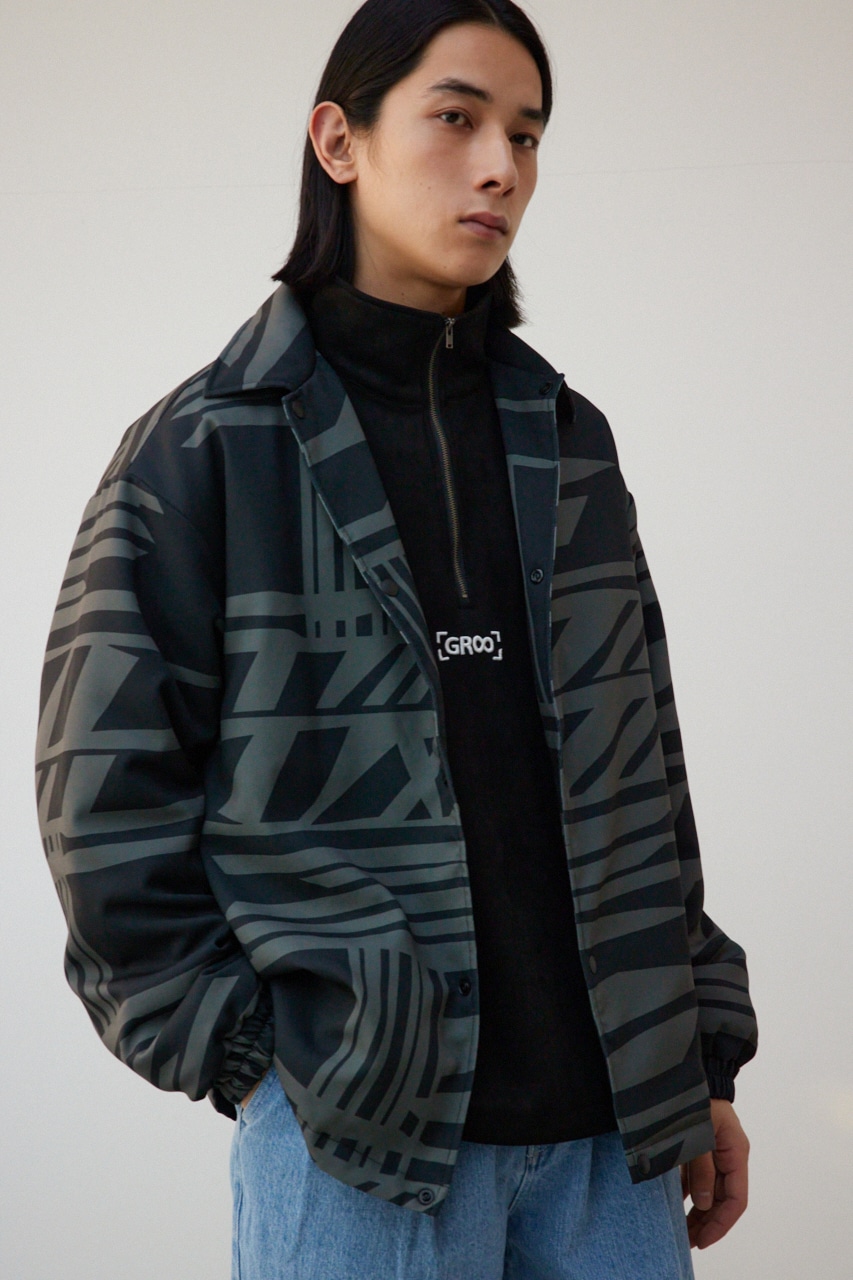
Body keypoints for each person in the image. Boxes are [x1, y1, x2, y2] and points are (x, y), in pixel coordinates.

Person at [34, 1, 757, 1276]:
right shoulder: (209, 446)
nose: (500, 167)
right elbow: (102, 799)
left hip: (614, 1141)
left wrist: (695, 1047)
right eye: (456, 117)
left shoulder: (566, 438)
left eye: (525, 135)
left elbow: (645, 765)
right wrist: (259, 1058)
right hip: (358, 1148)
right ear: (339, 140)